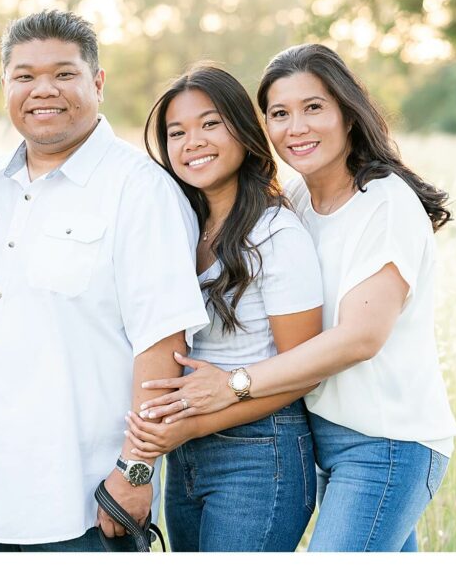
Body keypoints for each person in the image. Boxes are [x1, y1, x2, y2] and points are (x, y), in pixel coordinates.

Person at [139, 44, 456, 552]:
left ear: (348, 114)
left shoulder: (385, 203)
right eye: (280, 114)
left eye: (314, 108)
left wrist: (234, 385)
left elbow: (360, 338)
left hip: (386, 442)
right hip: (326, 433)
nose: (297, 127)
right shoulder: (303, 197)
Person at [0, 9, 210, 551]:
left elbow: (164, 345)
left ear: (98, 82)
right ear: (5, 85)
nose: (43, 90)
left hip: (85, 504)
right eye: (24, 76)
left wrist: (135, 473)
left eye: (64, 73)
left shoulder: (139, 189)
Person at [124, 63, 323, 551]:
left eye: (210, 123)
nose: (192, 141)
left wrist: (187, 426)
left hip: (260, 451)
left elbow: (305, 370)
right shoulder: (181, 226)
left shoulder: (276, 234)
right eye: (177, 132)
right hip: (188, 453)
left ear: (243, 128)